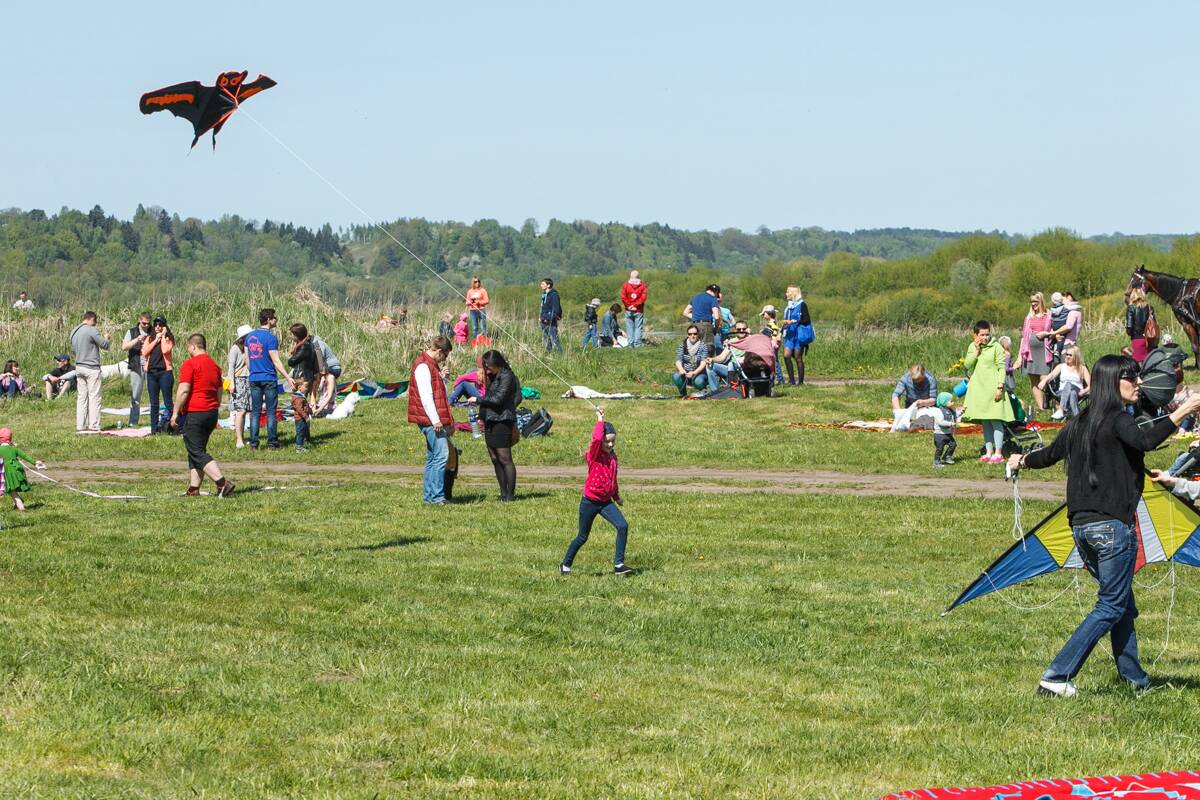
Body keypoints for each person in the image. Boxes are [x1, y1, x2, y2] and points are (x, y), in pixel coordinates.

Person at [1009, 355, 1200, 697]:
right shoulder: (1118, 419)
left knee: (1121, 604)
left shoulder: (1080, 422)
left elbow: (1048, 455)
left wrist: (1021, 459)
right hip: (1111, 529)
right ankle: (1056, 676)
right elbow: (1145, 441)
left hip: (1082, 529)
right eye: (1131, 377)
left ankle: (1135, 681)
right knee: (1111, 605)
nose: (1138, 383)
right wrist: (1184, 410)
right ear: (1112, 382)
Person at [561, 408, 635, 576]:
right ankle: (565, 565)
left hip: (606, 502)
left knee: (623, 526)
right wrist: (600, 420)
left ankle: (619, 565)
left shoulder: (613, 458)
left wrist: (617, 497)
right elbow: (595, 439)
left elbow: (613, 480)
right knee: (582, 537)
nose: (610, 445)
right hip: (590, 502)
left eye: (613, 441)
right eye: (606, 441)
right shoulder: (595, 456)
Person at [170, 333, 235, 498]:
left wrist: (175, 412)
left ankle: (222, 483)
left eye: (188, 347)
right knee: (197, 450)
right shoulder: (215, 366)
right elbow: (219, 393)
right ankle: (194, 488)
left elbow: (184, 390)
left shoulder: (190, 364)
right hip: (211, 413)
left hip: (196, 412)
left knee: (196, 450)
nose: (188, 351)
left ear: (193, 346)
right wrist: (213, 407)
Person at [408, 336, 455, 505]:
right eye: (445, 355)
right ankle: (436, 497)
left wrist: (443, 378)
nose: (444, 359)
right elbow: (426, 397)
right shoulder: (423, 366)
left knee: (433, 457)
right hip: (430, 420)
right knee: (441, 456)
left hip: (430, 418)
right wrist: (436, 421)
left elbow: (437, 391)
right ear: (439, 351)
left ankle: (430, 496)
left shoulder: (430, 365)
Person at [962, 320, 1014, 464]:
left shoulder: (996, 347)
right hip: (979, 388)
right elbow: (967, 365)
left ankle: (998, 453)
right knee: (985, 422)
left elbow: (1001, 368)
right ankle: (988, 451)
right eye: (982, 335)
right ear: (975, 335)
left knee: (995, 420)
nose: (985, 337)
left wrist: (1000, 387)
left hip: (994, 389)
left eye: (987, 334)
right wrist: (976, 351)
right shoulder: (972, 346)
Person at [245, 308, 294, 450]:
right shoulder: (271, 338)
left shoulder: (249, 337)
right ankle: (272, 442)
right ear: (268, 320)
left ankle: (254, 443)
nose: (276, 320)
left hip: (254, 377)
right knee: (271, 411)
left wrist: (254, 371)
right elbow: (276, 361)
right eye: (274, 318)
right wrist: (287, 377)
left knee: (255, 411)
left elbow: (247, 360)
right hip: (269, 378)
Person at [476, 349, 521, 501]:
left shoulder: (507, 376)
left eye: (488, 366)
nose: (487, 370)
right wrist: (481, 416)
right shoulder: (492, 376)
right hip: (490, 419)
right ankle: (502, 492)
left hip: (502, 420)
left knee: (505, 458)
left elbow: (498, 399)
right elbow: (488, 397)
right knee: (495, 458)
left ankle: (510, 494)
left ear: (497, 364)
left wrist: (477, 400)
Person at [70, 311, 110, 434]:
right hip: (91, 368)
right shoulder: (91, 330)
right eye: (95, 322)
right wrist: (107, 337)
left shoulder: (74, 331)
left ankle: (80, 425)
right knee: (94, 397)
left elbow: (73, 349)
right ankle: (94, 425)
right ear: (91, 319)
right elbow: (104, 345)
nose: (95, 324)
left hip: (79, 366)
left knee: (82, 397)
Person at [1016, 292, 1053, 417]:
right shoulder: (1029, 317)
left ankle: (1048, 402)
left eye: (1035, 302)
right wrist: (1020, 356)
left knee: (1045, 378)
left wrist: (1047, 334)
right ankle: (1041, 408)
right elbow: (1024, 337)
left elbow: (1053, 331)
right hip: (1030, 353)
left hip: (1044, 352)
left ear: (1041, 301)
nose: (1033, 304)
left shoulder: (1049, 315)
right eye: (1031, 302)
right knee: (1034, 380)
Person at [142, 315, 175, 434]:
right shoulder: (149, 338)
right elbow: (144, 352)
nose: (157, 327)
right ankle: (154, 429)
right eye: (155, 324)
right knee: (154, 404)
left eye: (160, 325)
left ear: (164, 326)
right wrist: (156, 340)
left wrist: (163, 336)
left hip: (165, 373)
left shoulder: (169, 338)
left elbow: (166, 350)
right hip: (151, 374)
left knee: (168, 402)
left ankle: (174, 427)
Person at [0, 427, 45, 511]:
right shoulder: (14, 448)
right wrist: (35, 462)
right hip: (18, 470)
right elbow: (24, 456)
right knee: (11, 489)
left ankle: (22, 508)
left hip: (8, 472)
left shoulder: (1, 449)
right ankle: (18, 501)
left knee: (11, 490)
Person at [121, 313, 153, 426]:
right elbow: (124, 347)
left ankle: (154, 422)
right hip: (136, 366)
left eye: (148, 324)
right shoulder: (132, 331)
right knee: (135, 396)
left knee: (152, 395)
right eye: (144, 323)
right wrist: (137, 340)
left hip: (151, 366)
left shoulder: (153, 331)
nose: (146, 326)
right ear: (139, 320)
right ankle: (133, 422)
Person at [1046, 346, 1091, 420]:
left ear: (1076, 357)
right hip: (1061, 392)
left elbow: (1090, 384)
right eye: (1066, 354)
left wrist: (1085, 391)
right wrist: (1044, 381)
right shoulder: (1061, 366)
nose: (1067, 356)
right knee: (1072, 393)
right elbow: (1052, 375)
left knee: (1069, 385)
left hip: (1078, 392)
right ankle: (1077, 418)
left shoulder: (1082, 368)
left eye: (1070, 355)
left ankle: (1061, 409)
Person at [227, 324, 252, 448]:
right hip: (238, 381)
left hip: (248, 380)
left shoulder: (248, 348)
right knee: (241, 411)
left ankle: (244, 437)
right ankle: (239, 439)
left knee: (247, 410)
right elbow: (231, 367)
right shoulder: (235, 349)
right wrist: (231, 383)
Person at [780, 286, 811, 385]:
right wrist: (782, 329)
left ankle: (800, 382)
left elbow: (807, 320)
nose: (786, 294)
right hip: (789, 334)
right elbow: (786, 320)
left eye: (788, 292)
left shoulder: (802, 305)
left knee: (798, 358)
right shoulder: (788, 307)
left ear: (793, 293)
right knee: (786, 356)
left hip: (798, 335)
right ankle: (791, 381)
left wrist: (795, 321)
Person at [704, 322, 750, 390]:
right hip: (731, 369)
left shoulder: (751, 340)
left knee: (731, 364)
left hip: (745, 369)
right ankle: (715, 391)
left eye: (744, 329)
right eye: (739, 329)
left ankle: (731, 388)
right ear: (735, 330)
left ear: (747, 329)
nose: (741, 331)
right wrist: (712, 359)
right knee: (710, 366)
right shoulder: (731, 342)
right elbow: (722, 357)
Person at [673, 325, 710, 396]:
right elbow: (678, 360)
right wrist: (681, 370)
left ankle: (704, 391)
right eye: (690, 334)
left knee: (699, 381)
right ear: (688, 335)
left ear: (698, 334)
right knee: (676, 376)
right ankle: (683, 393)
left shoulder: (703, 346)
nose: (692, 336)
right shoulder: (682, 345)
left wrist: (694, 373)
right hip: (685, 373)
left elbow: (703, 363)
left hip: (699, 373)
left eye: (695, 334)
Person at [310, 331, 341, 414]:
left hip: (328, 408)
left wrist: (319, 409)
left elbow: (329, 396)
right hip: (321, 405)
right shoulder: (321, 377)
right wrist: (313, 406)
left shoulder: (330, 377)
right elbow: (314, 391)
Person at [1126, 287, 1156, 363]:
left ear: (1133, 295)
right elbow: (1154, 323)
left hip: (1137, 339)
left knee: (1138, 365)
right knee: (1149, 364)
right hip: (1150, 340)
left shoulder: (1131, 308)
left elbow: (1129, 326)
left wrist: (1129, 333)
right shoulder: (1150, 307)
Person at [620, 270, 647, 348]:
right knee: (638, 327)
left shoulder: (626, 285)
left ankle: (630, 344)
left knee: (629, 327)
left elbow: (623, 297)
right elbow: (643, 298)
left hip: (628, 310)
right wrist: (635, 305)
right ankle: (637, 344)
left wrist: (629, 305)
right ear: (638, 277)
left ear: (630, 276)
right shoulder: (643, 285)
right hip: (639, 310)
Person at [932, 392, 958, 467]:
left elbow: (954, 416)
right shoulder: (939, 411)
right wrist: (950, 424)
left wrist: (961, 412)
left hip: (947, 433)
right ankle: (936, 462)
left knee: (953, 445)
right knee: (940, 448)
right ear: (944, 402)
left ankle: (947, 456)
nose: (953, 403)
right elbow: (940, 422)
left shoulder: (950, 410)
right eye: (951, 401)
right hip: (939, 434)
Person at [760, 305, 784, 385]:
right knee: (774, 361)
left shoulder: (771, 324)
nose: (763, 316)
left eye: (764, 314)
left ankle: (779, 379)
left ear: (769, 314)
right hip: (773, 344)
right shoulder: (772, 323)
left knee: (774, 362)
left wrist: (763, 332)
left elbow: (770, 334)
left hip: (772, 345)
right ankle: (776, 379)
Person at [539, 277, 563, 352]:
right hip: (543, 321)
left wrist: (548, 319)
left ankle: (559, 355)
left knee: (554, 340)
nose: (541, 285)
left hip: (550, 322)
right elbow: (544, 309)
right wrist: (541, 317)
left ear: (548, 285)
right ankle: (548, 355)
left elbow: (555, 310)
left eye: (543, 284)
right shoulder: (544, 295)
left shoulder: (554, 295)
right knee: (546, 341)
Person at [291, 377, 314, 453]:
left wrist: (310, 411)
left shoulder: (301, 396)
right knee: (300, 432)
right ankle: (299, 448)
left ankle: (304, 443)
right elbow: (299, 409)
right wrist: (305, 416)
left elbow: (305, 406)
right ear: (299, 387)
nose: (307, 388)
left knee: (303, 431)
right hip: (300, 418)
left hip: (302, 417)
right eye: (305, 387)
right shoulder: (298, 398)